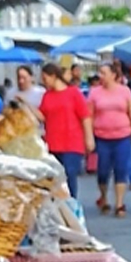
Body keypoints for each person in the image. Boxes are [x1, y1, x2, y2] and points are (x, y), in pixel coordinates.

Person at [88, 63, 131, 218]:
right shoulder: (94, 92)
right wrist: (88, 136)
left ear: (113, 75)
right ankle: (104, 197)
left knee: (121, 169)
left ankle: (120, 203)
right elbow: (90, 116)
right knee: (103, 170)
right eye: (100, 73)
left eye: (104, 72)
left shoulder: (125, 91)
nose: (101, 76)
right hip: (102, 136)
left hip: (122, 136)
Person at [33, 63, 93, 198]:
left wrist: (89, 138)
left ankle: (71, 203)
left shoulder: (73, 93)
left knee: (69, 174)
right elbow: (43, 116)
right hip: (53, 141)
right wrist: (27, 105)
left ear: (54, 76)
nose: (44, 82)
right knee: (55, 177)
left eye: (45, 78)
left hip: (71, 141)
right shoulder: (47, 95)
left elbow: (85, 116)